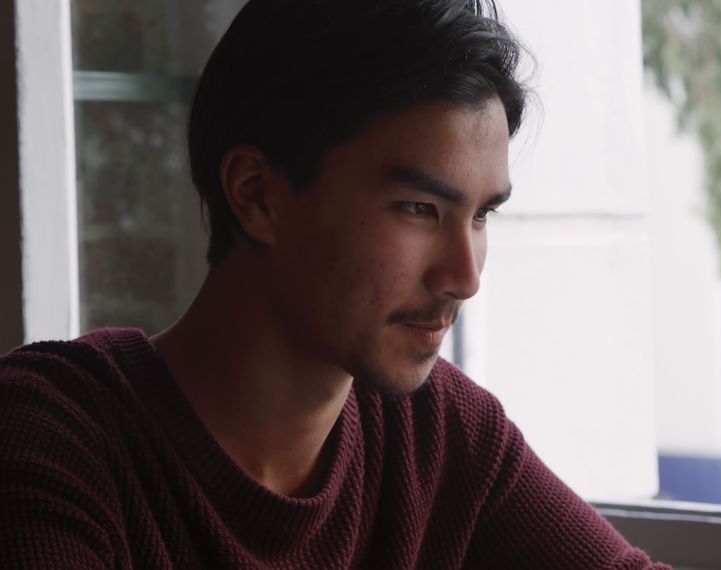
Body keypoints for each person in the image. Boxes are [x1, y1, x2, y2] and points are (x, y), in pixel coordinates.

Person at [0, 0, 669, 568]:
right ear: (259, 195)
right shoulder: (49, 438)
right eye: (419, 209)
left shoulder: (439, 434)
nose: (463, 277)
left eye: (482, 215)